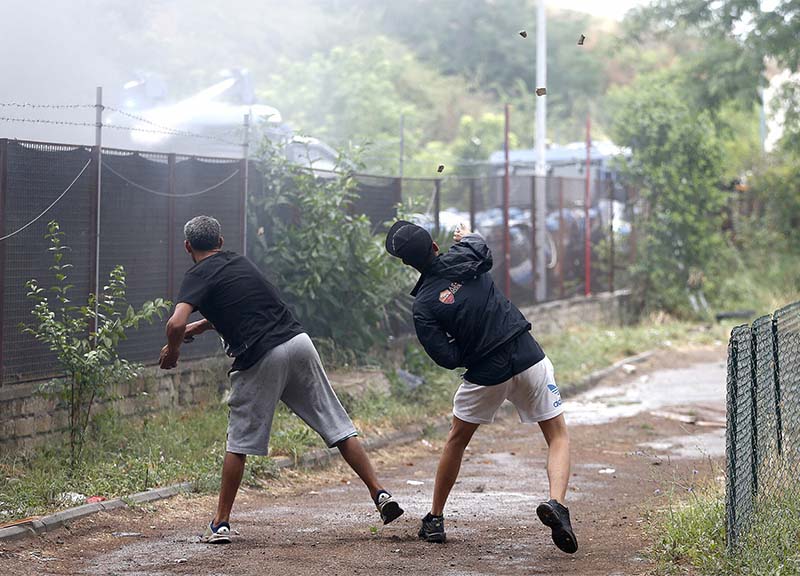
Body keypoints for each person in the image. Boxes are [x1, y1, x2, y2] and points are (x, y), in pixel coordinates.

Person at [160, 215, 403, 544]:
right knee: (337, 425)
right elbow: (243, 307)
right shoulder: (240, 262)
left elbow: (174, 324)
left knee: (239, 441)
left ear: (188, 246)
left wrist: (173, 352)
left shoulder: (197, 274)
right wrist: (200, 326)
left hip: (261, 355)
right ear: (220, 241)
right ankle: (380, 493)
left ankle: (220, 524)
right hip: (298, 342)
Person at [384, 220, 577, 554]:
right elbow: (481, 246)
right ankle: (556, 503)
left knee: (456, 440)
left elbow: (444, 356)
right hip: (527, 354)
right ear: (434, 244)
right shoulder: (467, 254)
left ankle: (435, 519)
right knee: (557, 435)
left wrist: (471, 350)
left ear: (407, 264)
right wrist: (467, 234)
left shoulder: (424, 304)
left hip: (486, 371)